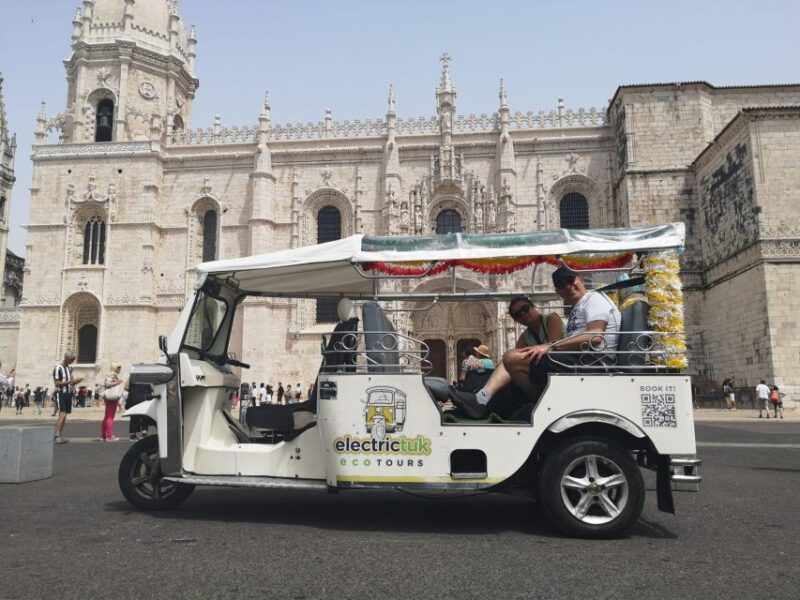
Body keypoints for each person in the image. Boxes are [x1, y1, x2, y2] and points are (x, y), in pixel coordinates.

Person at [450, 266, 619, 418]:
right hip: (577, 360)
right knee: (509, 363)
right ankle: (481, 399)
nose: (567, 287)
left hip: (589, 362)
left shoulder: (593, 300)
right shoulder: (579, 307)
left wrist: (548, 346)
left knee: (511, 359)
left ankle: (486, 399)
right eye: (561, 285)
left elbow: (596, 336)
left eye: (570, 280)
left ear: (581, 280)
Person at [53, 351, 81, 444]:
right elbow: (57, 383)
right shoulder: (58, 368)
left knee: (65, 416)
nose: (73, 362)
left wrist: (76, 381)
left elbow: (71, 382)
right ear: (66, 358)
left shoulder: (70, 368)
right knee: (62, 414)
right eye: (71, 360)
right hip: (61, 393)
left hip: (68, 393)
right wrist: (70, 381)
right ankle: (56, 436)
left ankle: (59, 435)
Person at [100, 362, 127, 441]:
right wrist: (117, 382)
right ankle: (109, 436)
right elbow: (107, 384)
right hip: (112, 397)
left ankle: (103, 436)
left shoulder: (111, 374)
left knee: (107, 416)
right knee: (110, 417)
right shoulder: (112, 374)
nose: (119, 369)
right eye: (118, 367)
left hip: (109, 397)